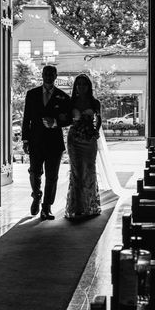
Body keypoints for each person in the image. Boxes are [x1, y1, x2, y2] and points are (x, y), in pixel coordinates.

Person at [22, 65, 71, 220]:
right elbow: (26, 118)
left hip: (54, 143)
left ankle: (47, 207)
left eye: (52, 74)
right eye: (46, 74)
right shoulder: (32, 94)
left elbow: (69, 119)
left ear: (56, 76)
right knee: (34, 172)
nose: (49, 76)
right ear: (41, 75)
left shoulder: (63, 96)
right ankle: (36, 195)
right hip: (35, 141)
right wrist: (25, 139)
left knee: (52, 176)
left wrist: (56, 122)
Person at [65, 74, 102, 219]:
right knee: (77, 171)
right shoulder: (71, 102)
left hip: (89, 140)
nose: (81, 87)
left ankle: (90, 205)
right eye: (78, 84)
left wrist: (95, 132)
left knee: (89, 170)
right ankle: (77, 207)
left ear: (89, 86)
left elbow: (99, 119)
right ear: (75, 87)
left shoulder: (95, 102)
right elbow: (66, 119)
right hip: (74, 139)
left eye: (84, 84)